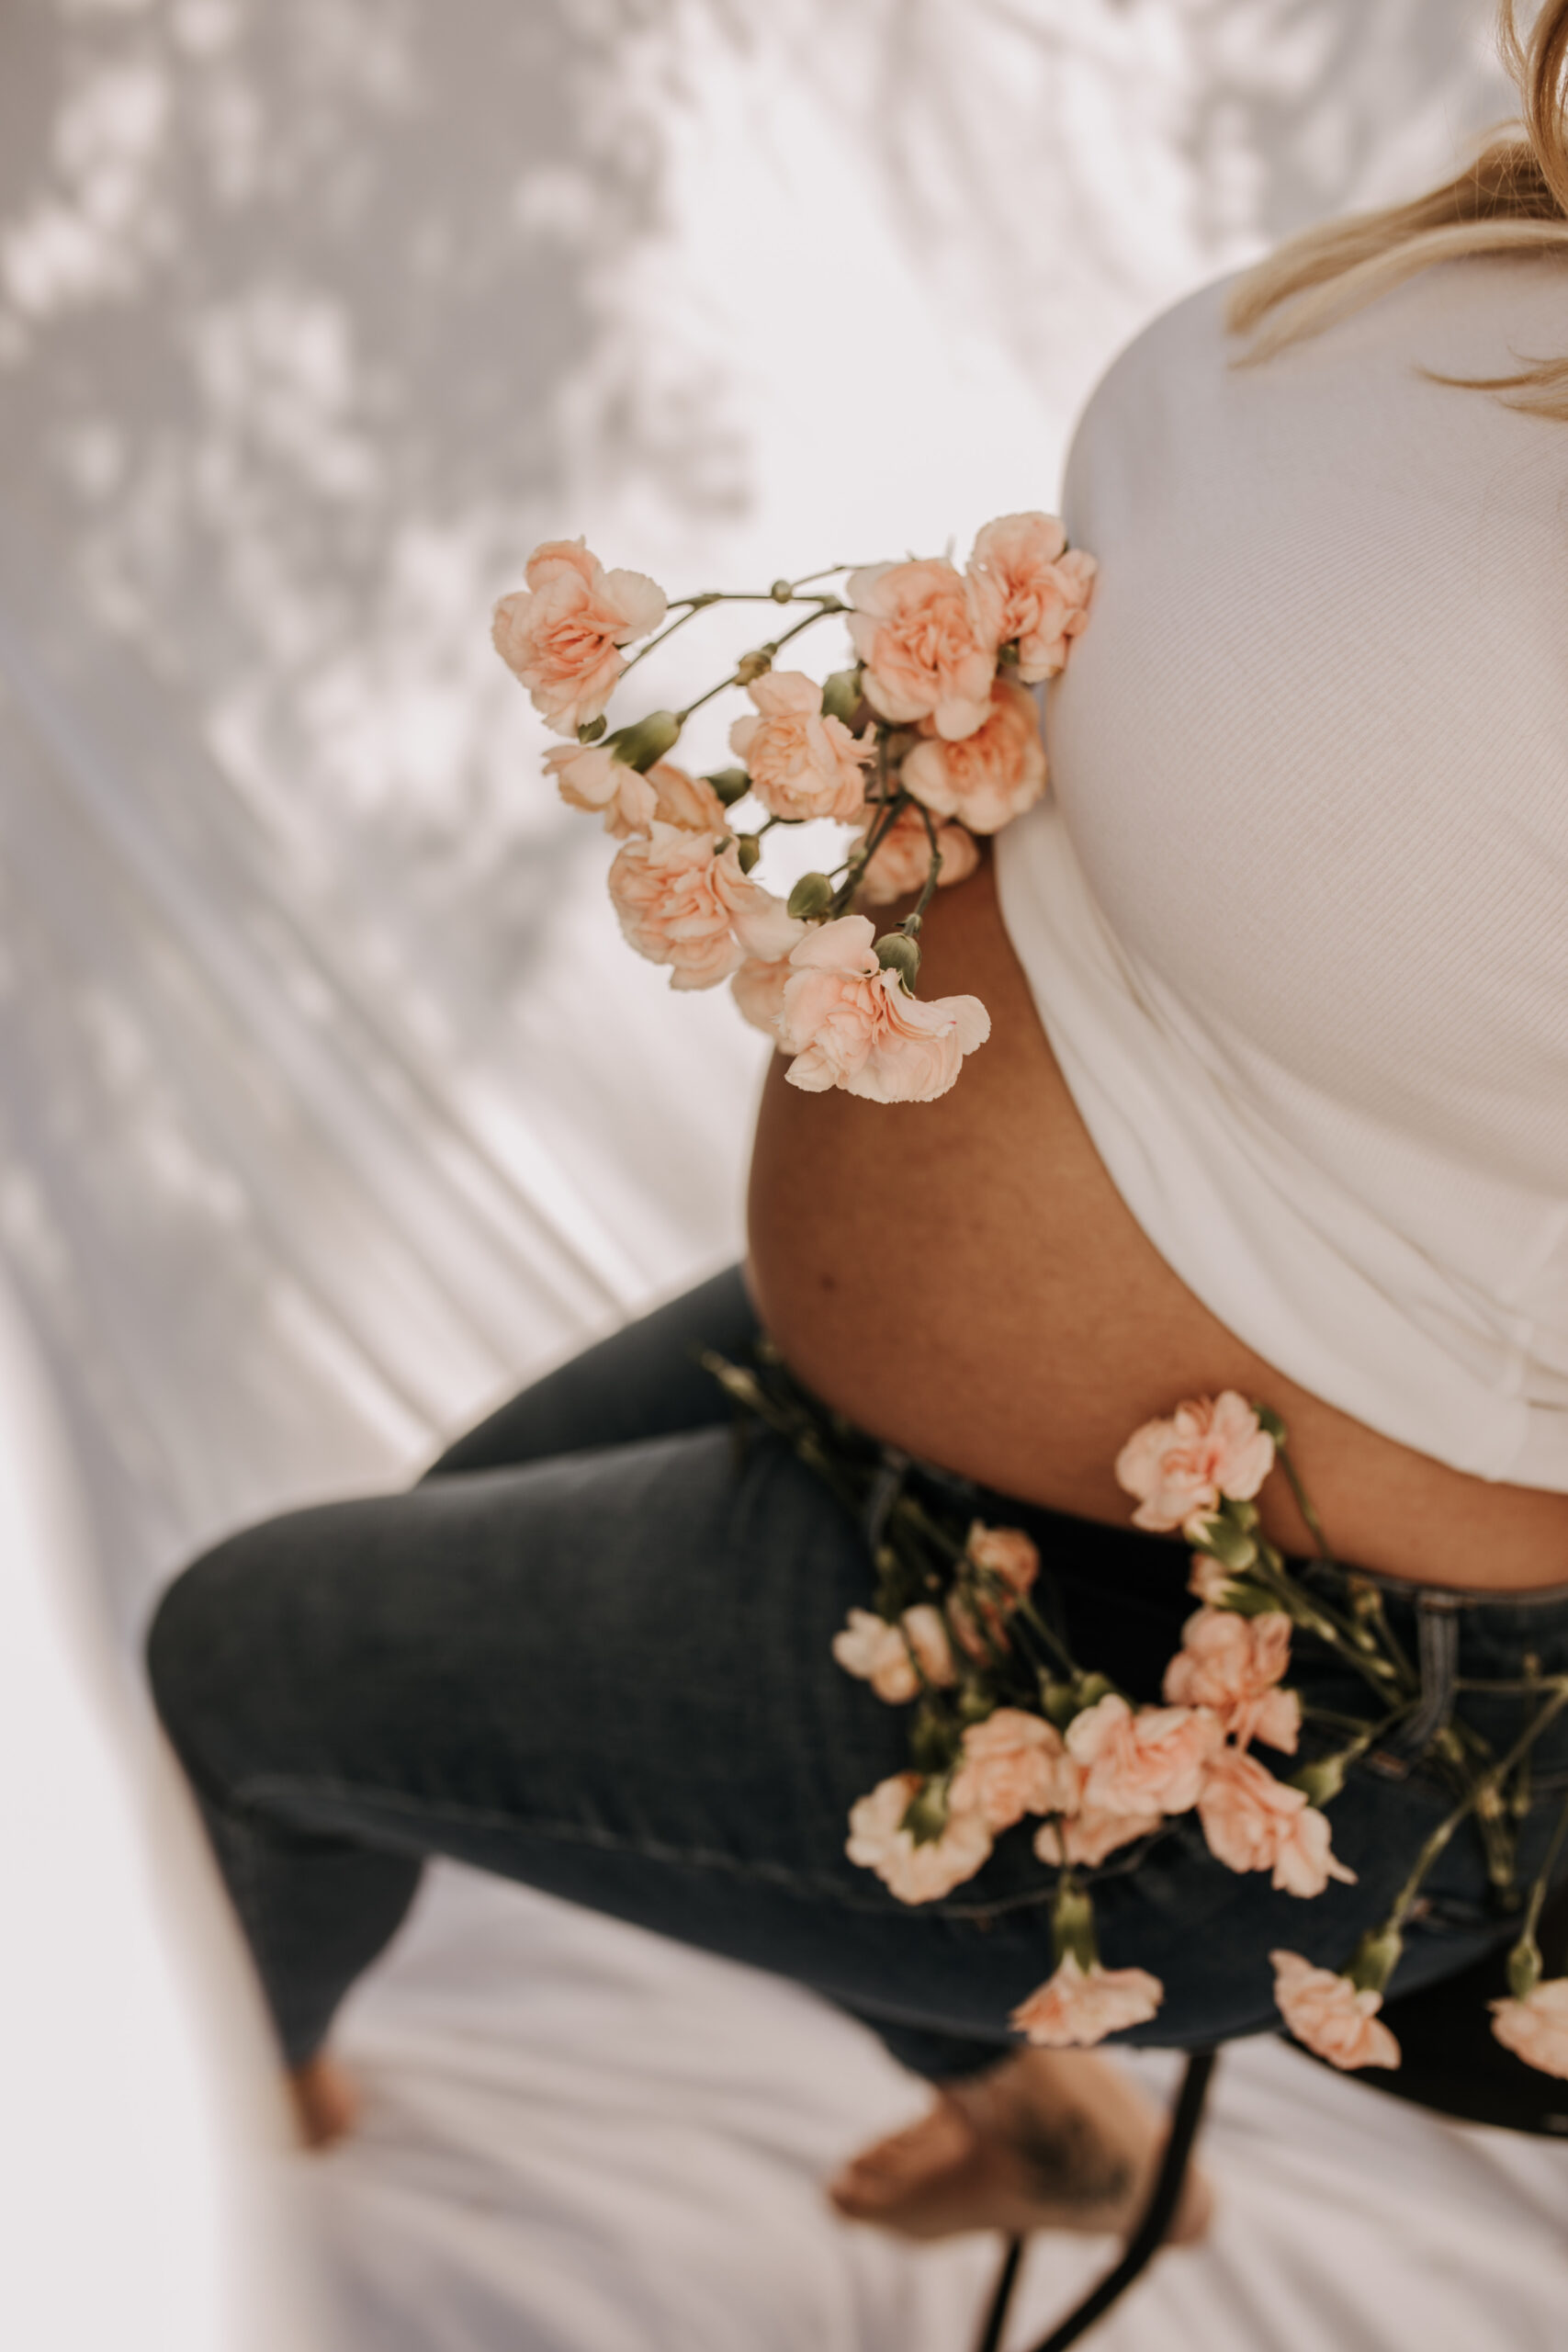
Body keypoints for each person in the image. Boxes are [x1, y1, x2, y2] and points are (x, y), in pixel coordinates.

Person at [147, 0, 1568, 2245]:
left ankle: (170, 2213)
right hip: (996, 1345)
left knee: (242, 1669)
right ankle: (1039, 2112)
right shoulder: (1511, 247)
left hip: (1216, 1664)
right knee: (421, 1567)